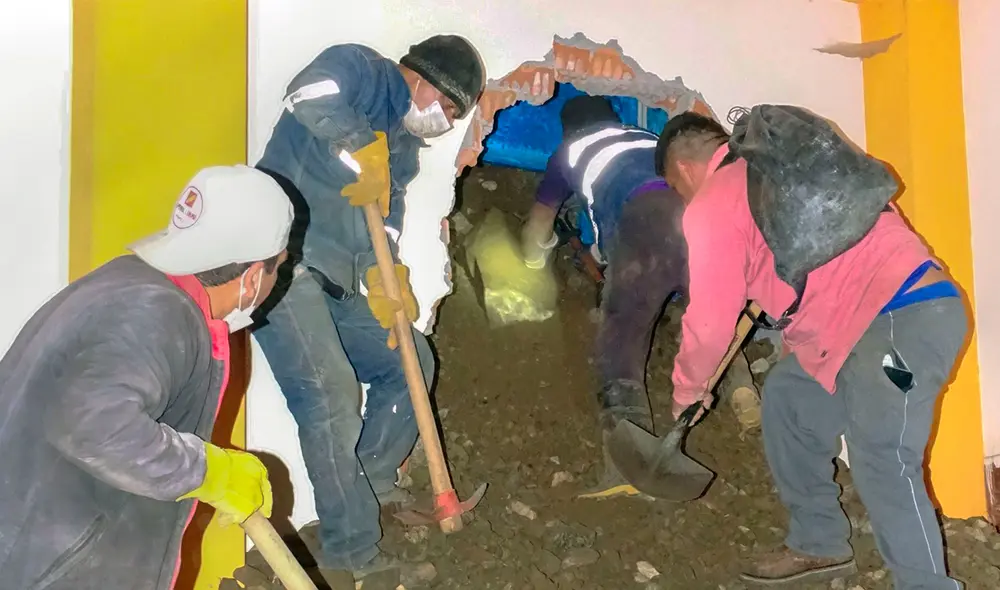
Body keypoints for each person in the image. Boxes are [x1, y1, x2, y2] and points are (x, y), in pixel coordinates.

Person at [657, 111, 967, 589]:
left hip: (900, 317)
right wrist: (799, 345)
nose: (684, 199)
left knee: (882, 456)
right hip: (869, 323)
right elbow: (820, 275)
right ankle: (818, 542)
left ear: (683, 169)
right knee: (788, 398)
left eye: (678, 189)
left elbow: (710, 322)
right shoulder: (778, 171)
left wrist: (687, 391)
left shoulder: (714, 201)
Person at [252, 35, 485, 582]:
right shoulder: (361, 70)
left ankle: (372, 491)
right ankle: (351, 554)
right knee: (331, 396)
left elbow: (385, 223)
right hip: (279, 264)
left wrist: (387, 277)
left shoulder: (402, 149)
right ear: (423, 79)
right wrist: (361, 143)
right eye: (449, 108)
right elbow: (308, 92)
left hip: (336, 281)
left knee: (411, 363)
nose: (446, 123)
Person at [0, 165, 292, 590]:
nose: (278, 280)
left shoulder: (130, 283)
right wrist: (211, 472)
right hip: (47, 568)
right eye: (278, 267)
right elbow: (94, 426)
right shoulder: (158, 314)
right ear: (251, 278)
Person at [520, 95, 759, 497]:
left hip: (644, 220)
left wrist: (531, 263)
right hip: (694, 211)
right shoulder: (647, 138)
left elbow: (541, 220)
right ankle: (741, 387)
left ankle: (626, 465)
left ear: (569, 130)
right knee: (713, 307)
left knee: (623, 334)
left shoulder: (569, 151)